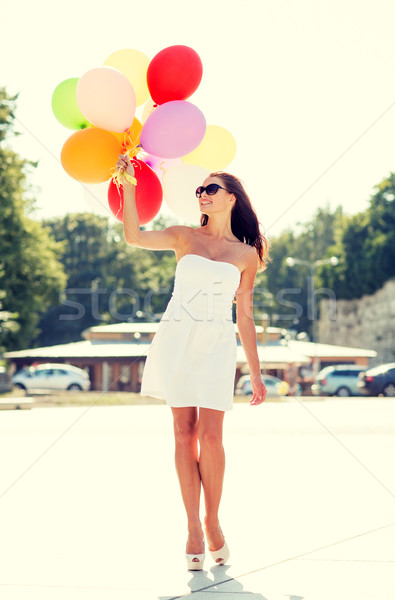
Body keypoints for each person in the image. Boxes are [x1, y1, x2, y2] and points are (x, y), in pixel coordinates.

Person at [116, 154, 269, 571]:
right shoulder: (183, 236)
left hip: (217, 343)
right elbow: (133, 236)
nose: (201, 194)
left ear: (232, 198)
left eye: (210, 189)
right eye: (198, 190)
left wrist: (256, 373)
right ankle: (193, 529)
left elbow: (245, 316)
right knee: (184, 434)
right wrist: (128, 185)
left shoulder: (246, 255)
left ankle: (213, 521)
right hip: (178, 337)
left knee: (212, 437)